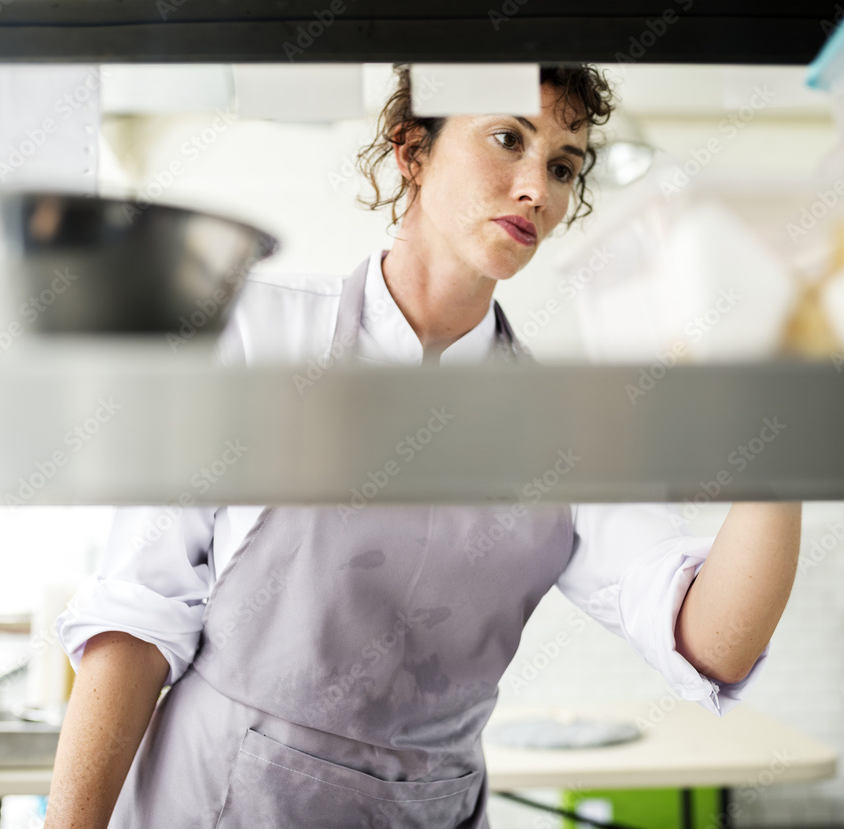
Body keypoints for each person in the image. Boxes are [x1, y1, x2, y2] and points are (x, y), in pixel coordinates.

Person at [45, 64, 802, 829]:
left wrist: (778, 419)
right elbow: (137, 624)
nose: (538, 188)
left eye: (564, 166)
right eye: (508, 138)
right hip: (219, 801)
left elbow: (714, 642)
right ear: (412, 151)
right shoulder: (257, 335)